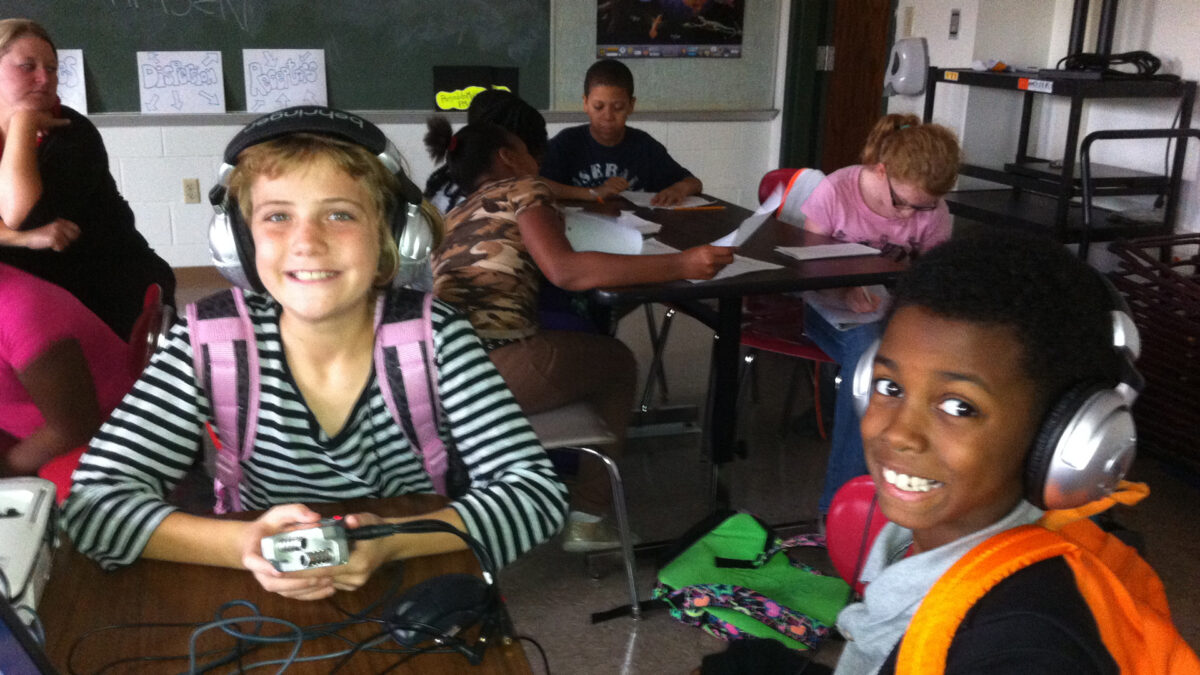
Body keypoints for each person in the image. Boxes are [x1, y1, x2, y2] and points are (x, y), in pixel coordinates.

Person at [63, 107, 568, 600]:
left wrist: (391, 542)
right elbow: (91, 504)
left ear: (393, 236)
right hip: (251, 591)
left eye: (340, 213)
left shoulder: (435, 337)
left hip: (409, 582)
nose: (307, 242)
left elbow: (536, 496)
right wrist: (245, 544)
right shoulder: (209, 341)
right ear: (239, 241)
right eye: (278, 215)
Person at [834, 231, 1198, 674]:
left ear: (1062, 435)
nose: (899, 434)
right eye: (890, 387)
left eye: (959, 406)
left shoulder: (1025, 647)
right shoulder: (933, 549)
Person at [426, 117, 733, 551]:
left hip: (438, 368)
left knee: (582, 351)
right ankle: (589, 517)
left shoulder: (457, 211)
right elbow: (565, 270)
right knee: (617, 362)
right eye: (531, 151)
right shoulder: (523, 188)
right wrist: (681, 266)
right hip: (487, 370)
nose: (539, 160)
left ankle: (547, 470)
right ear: (508, 157)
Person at [799, 113, 960, 516]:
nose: (908, 215)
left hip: (897, 313)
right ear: (881, 170)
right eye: (900, 202)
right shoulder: (836, 191)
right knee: (870, 360)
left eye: (923, 206)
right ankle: (843, 508)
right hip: (827, 307)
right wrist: (844, 286)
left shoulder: (931, 208)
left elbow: (933, 276)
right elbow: (804, 269)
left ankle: (925, 491)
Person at [0, 19, 175, 339]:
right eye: (28, 66)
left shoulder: (73, 133)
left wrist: (23, 122)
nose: (44, 78)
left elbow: (22, 217)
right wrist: (14, 239)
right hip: (36, 298)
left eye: (52, 69)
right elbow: (20, 235)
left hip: (110, 295)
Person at [0, 263, 136, 491]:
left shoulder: (20, 313)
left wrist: (5, 470)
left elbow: (71, 430)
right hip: (27, 434)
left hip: (105, 442)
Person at [539, 58, 702, 206]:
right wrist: (592, 193)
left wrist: (678, 189)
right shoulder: (567, 143)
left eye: (618, 108)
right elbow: (533, 183)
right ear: (585, 103)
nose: (608, 116)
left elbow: (693, 182)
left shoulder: (643, 146)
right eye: (598, 107)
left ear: (631, 105)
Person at [424, 89, 548, 214]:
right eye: (527, 151)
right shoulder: (522, 199)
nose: (537, 164)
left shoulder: (453, 188)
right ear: (508, 156)